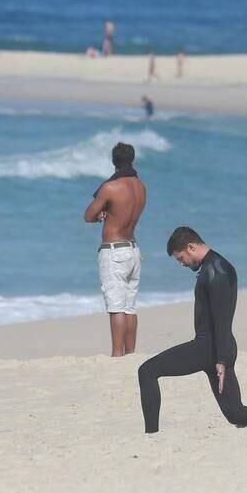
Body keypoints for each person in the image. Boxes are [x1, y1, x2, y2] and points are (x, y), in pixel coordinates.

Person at [136, 227, 247, 434]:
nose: (182, 264)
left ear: (191, 247)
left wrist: (221, 360)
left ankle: (151, 435)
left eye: (181, 258)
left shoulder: (216, 271)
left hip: (210, 348)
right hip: (217, 347)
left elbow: (221, 319)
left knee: (147, 371)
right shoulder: (217, 266)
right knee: (236, 414)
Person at [84, 143, 147, 356]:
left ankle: (117, 355)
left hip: (114, 250)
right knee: (130, 306)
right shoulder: (140, 187)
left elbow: (88, 215)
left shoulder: (110, 188)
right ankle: (130, 353)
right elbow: (123, 211)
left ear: (113, 161)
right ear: (133, 160)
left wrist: (102, 212)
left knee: (116, 307)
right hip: (133, 249)